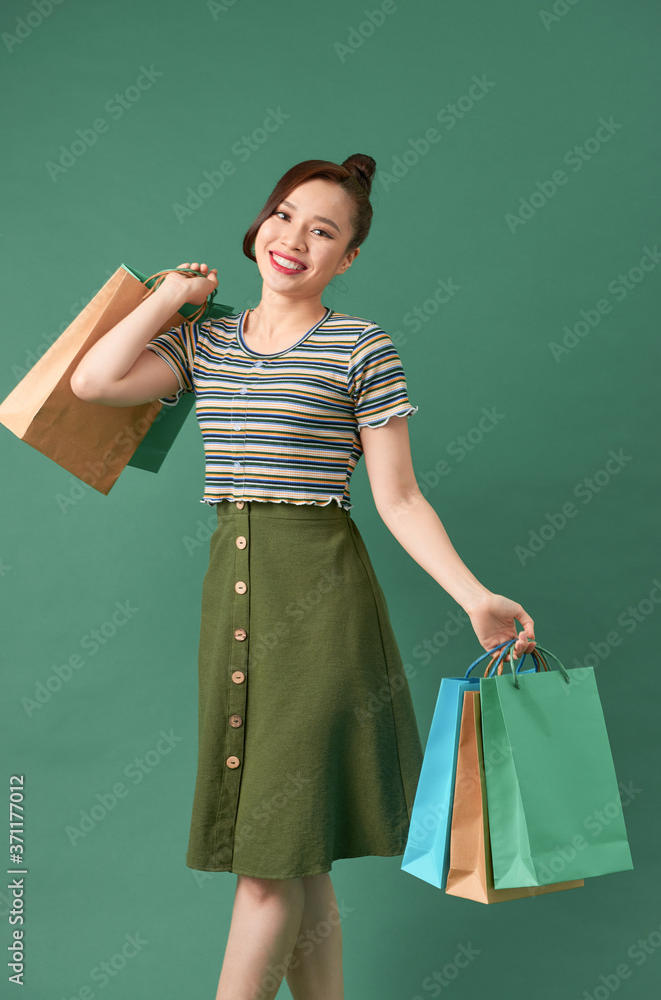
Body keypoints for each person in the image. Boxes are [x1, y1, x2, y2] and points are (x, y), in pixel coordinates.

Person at [70, 154, 536, 1000]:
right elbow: (94, 381)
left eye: (323, 230)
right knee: (298, 860)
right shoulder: (205, 340)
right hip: (233, 598)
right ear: (260, 224)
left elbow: (397, 498)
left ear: (347, 257)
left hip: (322, 607)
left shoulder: (362, 347)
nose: (294, 238)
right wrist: (168, 298)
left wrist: (475, 596)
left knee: (268, 859)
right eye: (284, 215)